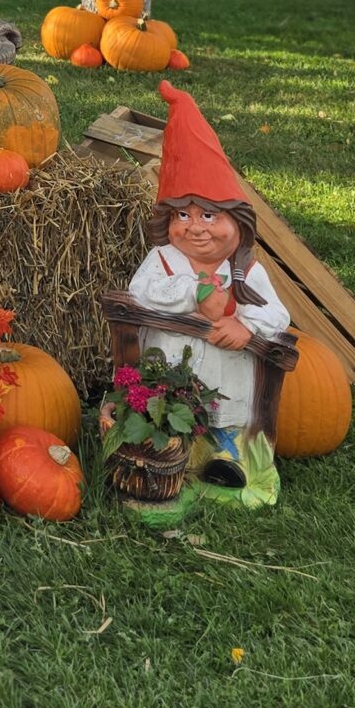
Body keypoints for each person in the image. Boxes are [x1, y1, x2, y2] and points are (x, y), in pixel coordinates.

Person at [126, 78, 289, 483]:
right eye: (183, 215)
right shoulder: (163, 260)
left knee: (221, 424)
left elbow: (277, 316)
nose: (196, 227)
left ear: (238, 221)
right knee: (170, 427)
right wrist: (191, 293)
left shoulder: (246, 270)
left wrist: (247, 327)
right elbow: (140, 293)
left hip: (226, 382)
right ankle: (170, 460)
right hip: (168, 386)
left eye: (210, 216)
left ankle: (226, 462)